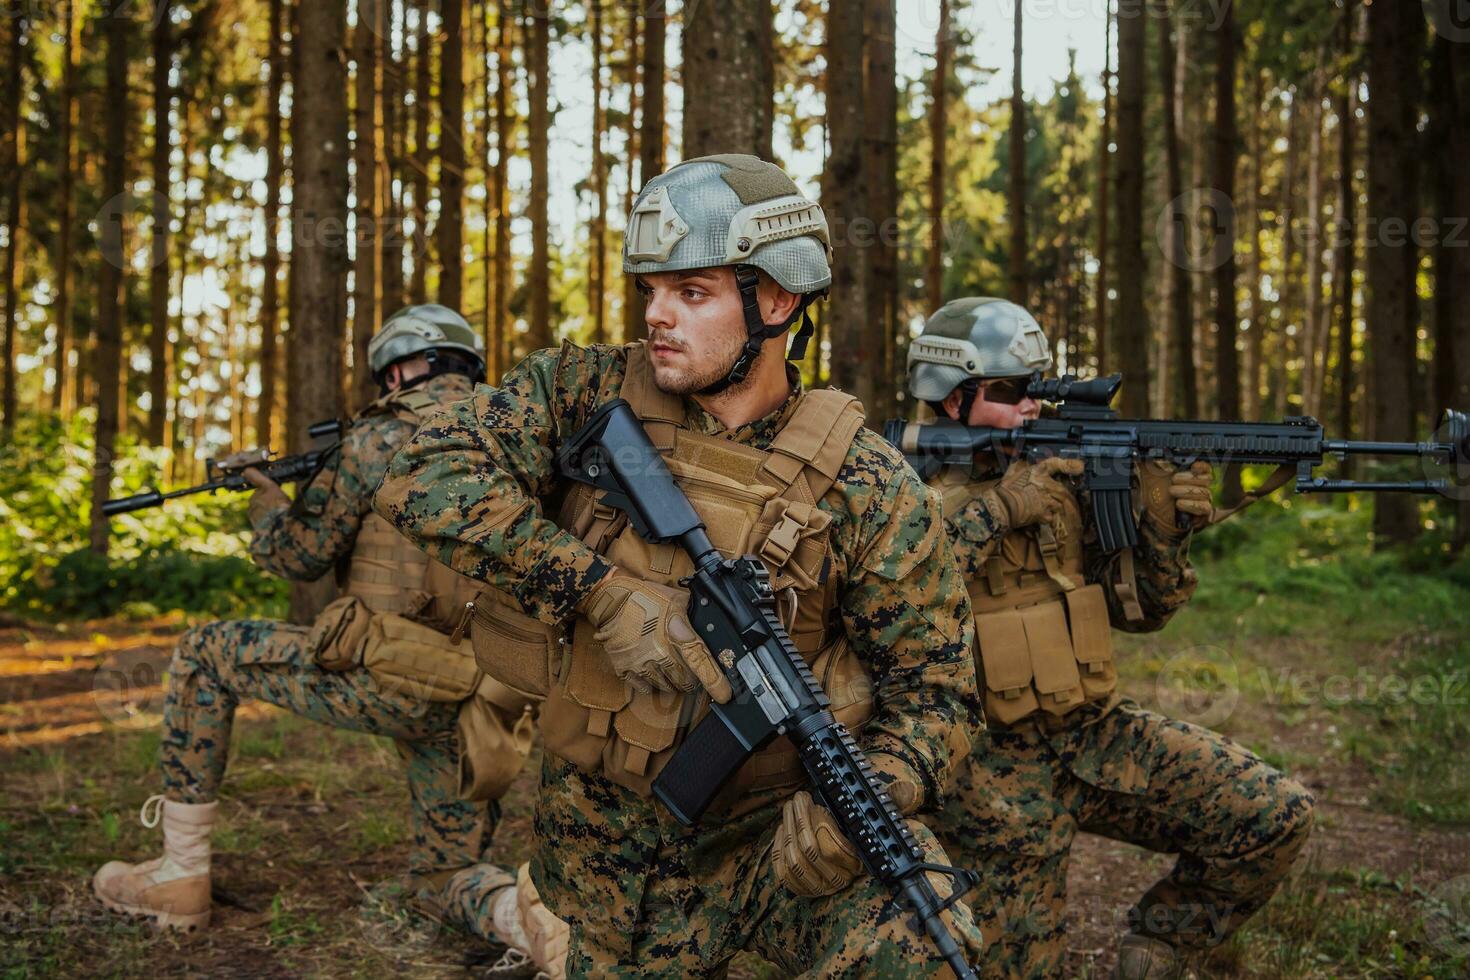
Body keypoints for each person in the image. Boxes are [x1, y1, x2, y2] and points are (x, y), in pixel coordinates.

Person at [373, 154, 984, 977]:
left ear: (777, 298)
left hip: (765, 861)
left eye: (691, 293)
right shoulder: (582, 394)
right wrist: (595, 589)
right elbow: (420, 471)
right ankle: (495, 902)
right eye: (651, 291)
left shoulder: (869, 487)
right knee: (530, 923)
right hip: (592, 871)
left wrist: (881, 787)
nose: (658, 316)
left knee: (923, 932)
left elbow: (938, 694)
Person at [92, 305, 560, 973]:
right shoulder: (520, 437)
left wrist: (265, 504)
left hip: (386, 674)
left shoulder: (374, 440)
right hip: (478, 693)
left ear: (399, 367)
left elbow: (298, 556)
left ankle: (179, 873)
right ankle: (530, 922)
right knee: (445, 874)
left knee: (205, 654)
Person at [906, 297, 1316, 979]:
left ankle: (1160, 946)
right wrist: (1003, 508)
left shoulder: (1066, 482)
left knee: (1274, 814)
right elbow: (901, 595)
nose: (1033, 406)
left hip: (1094, 737)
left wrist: (1164, 534)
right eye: (1011, 393)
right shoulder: (897, 491)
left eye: (1038, 390)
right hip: (984, 771)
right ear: (949, 399)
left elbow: (1141, 613)